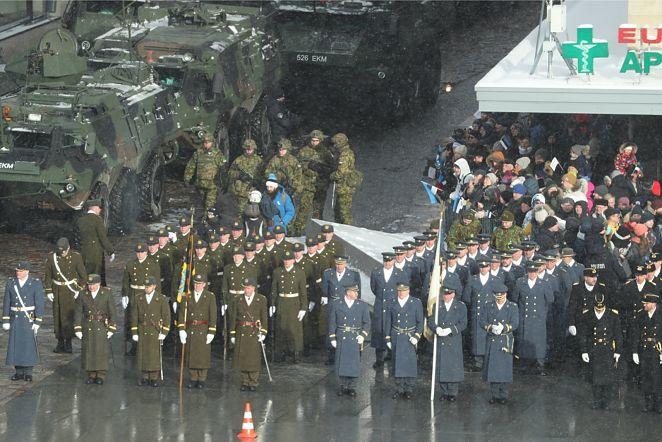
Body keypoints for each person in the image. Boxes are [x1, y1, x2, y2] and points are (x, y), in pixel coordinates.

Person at [2, 261, 45, 382]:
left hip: (28, 319)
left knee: (28, 345)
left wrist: (38, 321)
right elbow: (6, 302)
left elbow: (39, 303)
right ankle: (18, 371)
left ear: (27, 271)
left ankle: (28, 372)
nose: (18, 273)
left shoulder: (35, 283)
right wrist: (5, 319)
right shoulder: (11, 282)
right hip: (15, 317)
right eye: (17, 270)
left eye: (20, 271)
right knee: (16, 345)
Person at [578, 293, 622, 410]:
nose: (599, 310)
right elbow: (583, 335)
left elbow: (618, 335)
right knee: (595, 378)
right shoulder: (587, 315)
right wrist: (584, 351)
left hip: (608, 350)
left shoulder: (613, 315)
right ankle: (597, 401)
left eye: (601, 308)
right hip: (594, 350)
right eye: (597, 308)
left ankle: (606, 402)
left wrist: (618, 351)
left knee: (607, 379)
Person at [44, 237, 87, 353]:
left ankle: (68, 343)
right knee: (57, 317)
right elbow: (48, 275)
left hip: (70, 291)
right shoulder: (51, 257)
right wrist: (48, 290)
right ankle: (59, 342)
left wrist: (78, 289)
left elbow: (83, 276)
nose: (62, 253)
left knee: (69, 317)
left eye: (64, 251)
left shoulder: (76, 257)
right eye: (60, 251)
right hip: (57, 290)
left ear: (68, 248)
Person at [73, 274, 117, 385]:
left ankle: (101, 374)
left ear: (99, 284)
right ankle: (91, 373)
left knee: (100, 350)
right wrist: (77, 328)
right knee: (89, 350)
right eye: (89, 285)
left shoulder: (106, 293)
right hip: (88, 325)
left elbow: (112, 312)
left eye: (93, 285)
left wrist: (112, 328)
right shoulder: (83, 294)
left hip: (101, 325)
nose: (91, 287)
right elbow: (78, 312)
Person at [328, 284, 370, 397]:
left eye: (357, 291)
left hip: (354, 337)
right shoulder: (337, 304)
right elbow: (332, 322)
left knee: (353, 363)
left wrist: (363, 335)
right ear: (347, 292)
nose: (357, 293)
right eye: (354, 291)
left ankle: (352, 386)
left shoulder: (362, 305)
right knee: (341, 363)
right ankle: (342, 386)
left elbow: (367, 323)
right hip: (342, 336)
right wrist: (332, 337)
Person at [480, 283, 519, 405]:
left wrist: (504, 328)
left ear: (505, 295)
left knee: (504, 369)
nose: (499, 298)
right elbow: (482, 321)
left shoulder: (512, 307)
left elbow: (515, 323)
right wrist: (490, 327)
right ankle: (494, 394)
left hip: (504, 340)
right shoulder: (488, 306)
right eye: (497, 296)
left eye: (501, 296)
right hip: (493, 340)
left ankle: (503, 395)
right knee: (493, 369)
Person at [428, 286, 468, 401]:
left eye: (448, 294)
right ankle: (444, 391)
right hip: (441, 340)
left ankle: (452, 392)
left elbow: (463, 323)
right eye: (444, 294)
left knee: (453, 367)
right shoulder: (437, 305)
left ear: (453, 295)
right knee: (442, 366)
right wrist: (436, 328)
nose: (446, 296)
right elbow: (431, 320)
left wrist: (451, 329)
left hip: (453, 339)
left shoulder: (460, 306)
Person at [385, 283, 424, 400]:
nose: (401, 293)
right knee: (397, 364)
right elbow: (388, 321)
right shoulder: (392, 302)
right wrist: (387, 338)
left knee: (410, 364)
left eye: (403, 291)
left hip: (409, 337)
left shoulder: (416, 303)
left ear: (408, 291)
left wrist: (417, 336)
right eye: (399, 291)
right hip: (397, 336)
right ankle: (399, 388)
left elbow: (420, 322)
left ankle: (409, 389)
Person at [177, 274, 217, 389]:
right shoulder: (187, 296)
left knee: (202, 355)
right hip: (191, 329)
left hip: (203, 329)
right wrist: (181, 329)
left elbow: (213, 315)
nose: (197, 286)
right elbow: (182, 315)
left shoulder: (210, 297)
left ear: (204, 285)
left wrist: (211, 331)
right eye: (195, 283)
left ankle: (202, 379)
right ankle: (193, 378)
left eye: (199, 284)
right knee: (192, 354)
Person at [121, 243, 161, 355]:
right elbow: (125, 281)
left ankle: (146, 346)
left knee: (146, 319)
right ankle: (134, 345)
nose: (139, 254)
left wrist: (157, 298)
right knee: (133, 319)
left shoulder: (153, 264)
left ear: (146, 252)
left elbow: (157, 282)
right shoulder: (130, 264)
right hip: (134, 294)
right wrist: (125, 295)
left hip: (146, 293)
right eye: (138, 252)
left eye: (142, 252)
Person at [229, 278, 268, 391]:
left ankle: (253, 382)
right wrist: (232, 333)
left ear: (254, 288)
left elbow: (264, 317)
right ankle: (245, 381)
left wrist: (264, 332)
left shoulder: (261, 299)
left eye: (249, 287)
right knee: (243, 357)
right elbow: (233, 318)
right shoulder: (238, 299)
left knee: (253, 358)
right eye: (245, 288)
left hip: (254, 331)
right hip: (242, 330)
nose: (247, 290)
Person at [321, 255, 361, 364]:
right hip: (333, 304)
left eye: (341, 264)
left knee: (345, 328)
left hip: (346, 305)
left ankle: (346, 355)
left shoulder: (353, 275)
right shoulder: (328, 273)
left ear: (346, 264)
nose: (339, 266)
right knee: (332, 328)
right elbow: (325, 289)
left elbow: (358, 292)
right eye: (337, 264)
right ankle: (331, 356)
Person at [270, 250, 307, 363]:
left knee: (294, 329)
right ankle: (281, 352)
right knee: (281, 328)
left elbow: (303, 292)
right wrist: (272, 304)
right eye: (285, 260)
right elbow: (274, 290)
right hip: (281, 301)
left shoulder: (300, 273)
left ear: (293, 260)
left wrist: (303, 307)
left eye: (289, 259)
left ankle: (296, 352)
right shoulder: (277, 272)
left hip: (294, 303)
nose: (287, 262)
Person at [370, 252, 406, 368]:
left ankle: (392, 355)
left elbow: (403, 290)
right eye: (385, 261)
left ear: (394, 261)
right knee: (379, 331)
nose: (387, 263)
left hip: (393, 306)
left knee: (393, 330)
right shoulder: (376, 273)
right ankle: (379, 359)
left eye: (390, 261)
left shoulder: (400, 274)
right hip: (380, 306)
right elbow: (374, 288)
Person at [462, 256, 498, 371]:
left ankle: (489, 361)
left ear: (489, 267)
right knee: (477, 339)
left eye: (486, 266)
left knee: (489, 337)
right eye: (481, 267)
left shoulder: (495, 280)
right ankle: (478, 362)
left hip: (490, 314)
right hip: (476, 313)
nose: (483, 269)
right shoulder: (473, 279)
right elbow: (467, 297)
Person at [295, 130, 334, 229]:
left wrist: (322, 169)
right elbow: (298, 165)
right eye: (313, 140)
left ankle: (317, 231)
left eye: (317, 140)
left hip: (320, 185)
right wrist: (309, 166)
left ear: (320, 140)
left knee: (318, 210)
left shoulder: (326, 153)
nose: (314, 142)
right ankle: (298, 230)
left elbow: (332, 168)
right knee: (303, 209)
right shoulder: (304, 151)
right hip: (307, 185)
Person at [631, 292, 662, 413]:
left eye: (646, 303)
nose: (644, 305)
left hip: (657, 351)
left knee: (657, 378)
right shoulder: (640, 315)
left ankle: (658, 404)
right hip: (644, 350)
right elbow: (635, 335)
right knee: (646, 377)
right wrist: (634, 351)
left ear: (653, 304)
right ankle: (648, 404)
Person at [75, 199, 115, 285]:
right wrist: (110, 251)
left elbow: (77, 238)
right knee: (95, 276)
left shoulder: (80, 220)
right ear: (95, 208)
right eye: (99, 207)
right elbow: (103, 238)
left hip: (83, 252)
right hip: (95, 254)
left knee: (84, 274)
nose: (100, 210)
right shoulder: (97, 220)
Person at [184, 133, 226, 212]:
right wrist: (187, 178)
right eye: (205, 142)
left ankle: (208, 222)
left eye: (208, 142)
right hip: (199, 184)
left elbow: (223, 169)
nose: (206, 144)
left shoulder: (217, 154)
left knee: (209, 207)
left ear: (212, 143)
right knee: (200, 207)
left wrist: (223, 181)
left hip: (212, 185)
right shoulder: (198, 153)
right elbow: (191, 166)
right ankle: (201, 222)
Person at [329, 133, 362, 225]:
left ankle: (349, 231)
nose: (334, 146)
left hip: (345, 186)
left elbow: (341, 172)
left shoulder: (345, 154)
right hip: (343, 186)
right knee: (339, 211)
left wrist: (332, 175)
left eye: (336, 143)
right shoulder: (344, 152)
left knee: (344, 212)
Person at [228, 139, 263, 214]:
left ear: (254, 149)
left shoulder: (259, 161)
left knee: (253, 213)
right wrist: (239, 175)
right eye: (247, 149)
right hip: (240, 193)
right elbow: (230, 173)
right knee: (239, 214)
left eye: (251, 149)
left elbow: (263, 175)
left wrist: (257, 181)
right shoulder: (238, 160)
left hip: (254, 193)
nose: (249, 151)